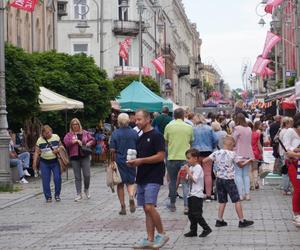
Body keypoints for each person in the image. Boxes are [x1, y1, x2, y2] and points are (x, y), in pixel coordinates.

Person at [127, 110, 169, 249]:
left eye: (139, 119)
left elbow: (160, 156)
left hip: (154, 175)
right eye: (136, 119)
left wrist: (142, 160)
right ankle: (150, 238)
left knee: (150, 206)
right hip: (142, 176)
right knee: (146, 209)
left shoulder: (156, 135)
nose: (136, 122)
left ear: (148, 119)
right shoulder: (140, 137)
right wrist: (133, 162)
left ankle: (162, 234)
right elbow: (140, 157)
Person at [203, 136, 254, 228]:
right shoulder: (232, 154)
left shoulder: (216, 153)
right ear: (230, 145)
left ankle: (219, 220)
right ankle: (241, 221)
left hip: (219, 180)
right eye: (233, 146)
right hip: (229, 180)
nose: (234, 148)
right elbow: (241, 165)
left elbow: (204, 160)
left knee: (222, 201)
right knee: (237, 200)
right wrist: (249, 161)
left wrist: (216, 165)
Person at [164, 108, 194, 212]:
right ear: (183, 116)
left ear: (174, 116)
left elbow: (166, 141)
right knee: (185, 182)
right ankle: (186, 206)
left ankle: (172, 205)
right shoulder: (189, 127)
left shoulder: (168, 126)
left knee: (172, 182)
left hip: (172, 157)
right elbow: (191, 142)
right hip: (185, 159)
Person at [110, 113, 138, 215]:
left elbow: (112, 150)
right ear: (128, 121)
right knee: (130, 182)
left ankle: (123, 206)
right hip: (131, 160)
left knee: (120, 184)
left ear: (118, 121)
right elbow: (137, 146)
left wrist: (112, 162)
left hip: (119, 160)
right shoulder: (134, 133)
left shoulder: (115, 133)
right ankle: (131, 196)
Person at [64, 118, 95, 202]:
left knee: (87, 175)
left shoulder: (85, 133)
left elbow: (92, 139)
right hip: (74, 157)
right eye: (73, 124)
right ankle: (78, 193)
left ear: (79, 124)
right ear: (71, 126)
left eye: (76, 124)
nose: (75, 126)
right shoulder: (69, 135)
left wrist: (89, 143)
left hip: (85, 156)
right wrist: (74, 141)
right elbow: (66, 143)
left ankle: (86, 189)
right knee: (77, 177)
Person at [183, 148, 212, 238]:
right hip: (191, 194)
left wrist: (188, 171)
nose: (187, 160)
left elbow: (195, 179)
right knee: (191, 214)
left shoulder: (198, 167)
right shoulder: (191, 167)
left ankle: (206, 228)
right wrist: (186, 173)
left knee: (197, 214)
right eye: (187, 158)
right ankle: (193, 230)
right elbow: (188, 179)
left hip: (197, 194)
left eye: (189, 158)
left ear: (195, 158)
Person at [32, 125, 62, 202]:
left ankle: (57, 194)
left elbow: (62, 147)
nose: (48, 134)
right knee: (45, 180)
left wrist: (58, 150)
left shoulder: (56, 137)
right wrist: (34, 163)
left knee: (57, 178)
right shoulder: (40, 140)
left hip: (55, 161)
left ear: (51, 131)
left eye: (49, 132)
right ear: (43, 134)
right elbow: (36, 152)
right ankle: (48, 197)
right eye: (46, 133)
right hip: (44, 162)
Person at [192, 114, 218, 201]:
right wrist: (212, 146)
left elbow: (190, 140)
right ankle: (208, 194)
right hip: (207, 151)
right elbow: (216, 139)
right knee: (207, 174)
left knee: (197, 173)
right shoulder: (209, 128)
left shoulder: (193, 129)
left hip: (196, 152)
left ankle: (199, 192)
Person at [282, 117, 300, 227]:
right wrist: (294, 152)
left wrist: (295, 152)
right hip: (293, 164)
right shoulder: (290, 132)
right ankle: (296, 214)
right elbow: (287, 150)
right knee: (298, 188)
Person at [233, 113, 254, 201]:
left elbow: (233, 141)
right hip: (248, 153)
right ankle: (247, 194)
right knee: (246, 175)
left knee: (238, 174)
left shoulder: (237, 128)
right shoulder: (249, 129)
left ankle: (240, 194)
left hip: (238, 153)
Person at [278, 117, 293, 195]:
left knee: (285, 171)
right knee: (286, 172)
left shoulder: (281, 131)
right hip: (286, 153)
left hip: (282, 153)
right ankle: (286, 188)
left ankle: (285, 188)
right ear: (286, 123)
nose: (291, 125)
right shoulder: (287, 131)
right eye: (290, 123)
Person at [250, 121, 262, 190]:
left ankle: (251, 184)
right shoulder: (257, 134)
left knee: (249, 169)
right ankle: (256, 182)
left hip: (248, 153)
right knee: (255, 168)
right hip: (255, 152)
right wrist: (261, 152)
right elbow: (258, 144)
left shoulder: (247, 135)